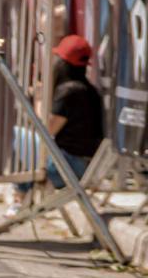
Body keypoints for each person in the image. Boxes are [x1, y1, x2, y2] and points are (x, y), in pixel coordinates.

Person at [8, 35, 104, 215]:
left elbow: (46, 130)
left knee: (13, 135)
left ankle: (19, 199)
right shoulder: (90, 91)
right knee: (26, 148)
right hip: (81, 165)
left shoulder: (69, 92)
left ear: (62, 63)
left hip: (68, 168)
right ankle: (19, 198)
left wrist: (38, 99)